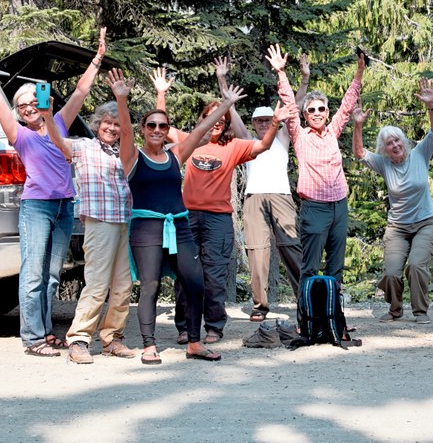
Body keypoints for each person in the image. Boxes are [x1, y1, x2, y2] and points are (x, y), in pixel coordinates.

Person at [0, 30, 106, 357]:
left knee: (50, 276)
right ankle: (32, 338)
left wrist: (97, 59)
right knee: (33, 272)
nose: (29, 107)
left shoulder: (60, 123)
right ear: (19, 112)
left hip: (64, 207)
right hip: (36, 207)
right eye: (23, 105)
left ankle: (46, 332)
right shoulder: (18, 134)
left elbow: (81, 90)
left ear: (43, 103)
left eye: (35, 101)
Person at [153, 66, 295, 345]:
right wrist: (161, 94)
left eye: (221, 118)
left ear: (227, 123)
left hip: (218, 219)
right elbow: (162, 128)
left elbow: (263, 146)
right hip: (187, 217)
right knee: (185, 274)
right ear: (204, 119)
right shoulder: (190, 141)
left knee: (215, 274)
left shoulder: (233, 146)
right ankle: (185, 327)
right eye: (210, 117)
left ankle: (214, 327)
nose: (216, 122)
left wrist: (276, 123)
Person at [118, 69, 241, 364]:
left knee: (195, 283)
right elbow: (124, 130)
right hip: (147, 227)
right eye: (152, 125)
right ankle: (149, 345)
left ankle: (195, 343)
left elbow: (201, 130)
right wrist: (121, 99)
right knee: (150, 285)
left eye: (163, 125)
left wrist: (226, 104)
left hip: (180, 225)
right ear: (143, 128)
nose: (158, 130)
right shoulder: (132, 156)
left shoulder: (176, 155)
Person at [42, 82, 135, 363]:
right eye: (107, 122)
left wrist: (122, 102)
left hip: (123, 222)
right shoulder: (83, 147)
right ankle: (79, 339)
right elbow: (58, 141)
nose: (112, 128)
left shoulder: (124, 152)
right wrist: (47, 115)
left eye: (117, 124)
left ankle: (112, 338)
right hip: (99, 222)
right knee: (97, 283)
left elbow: (130, 134)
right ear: (97, 124)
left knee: (123, 285)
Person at [213, 56, 306, 322]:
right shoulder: (247, 141)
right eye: (260, 121)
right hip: (254, 196)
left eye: (268, 120)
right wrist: (222, 78)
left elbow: (293, 105)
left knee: (290, 245)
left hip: (281, 196)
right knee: (257, 250)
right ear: (254, 124)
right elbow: (230, 108)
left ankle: (304, 298)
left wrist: (304, 79)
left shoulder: (283, 138)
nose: (265, 124)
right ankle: (260, 305)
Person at [265, 43, 366, 287]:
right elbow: (289, 102)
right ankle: (306, 323)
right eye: (312, 110)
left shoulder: (333, 131)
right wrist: (281, 72)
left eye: (321, 108)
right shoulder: (300, 136)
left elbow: (347, 104)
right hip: (314, 209)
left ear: (327, 112)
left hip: (339, 206)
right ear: (305, 115)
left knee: (336, 266)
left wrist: (360, 72)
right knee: (309, 268)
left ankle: (334, 321)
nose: (317, 113)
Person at [352, 77, 433, 324]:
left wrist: (431, 106)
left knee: (415, 266)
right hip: (398, 228)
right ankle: (395, 310)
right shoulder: (383, 164)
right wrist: (358, 125)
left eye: (397, 139)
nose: (394, 144)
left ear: (404, 141)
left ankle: (420, 311)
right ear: (384, 149)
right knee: (391, 273)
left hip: (427, 222)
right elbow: (359, 153)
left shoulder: (420, 153)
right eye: (389, 143)